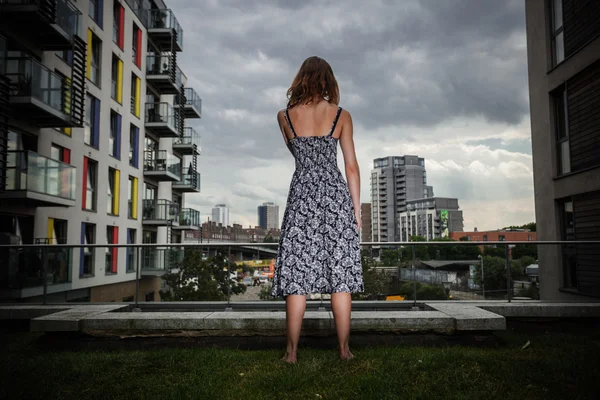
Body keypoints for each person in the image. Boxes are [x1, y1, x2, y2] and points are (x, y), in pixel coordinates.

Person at [271, 56, 364, 363]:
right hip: (335, 198)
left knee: (297, 278)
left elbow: (296, 154)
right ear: (328, 80)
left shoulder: (284, 116)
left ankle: (291, 352)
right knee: (340, 277)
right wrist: (355, 211)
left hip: (301, 197)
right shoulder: (341, 115)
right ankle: (344, 351)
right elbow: (351, 167)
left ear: (301, 79)